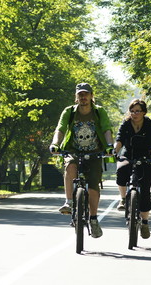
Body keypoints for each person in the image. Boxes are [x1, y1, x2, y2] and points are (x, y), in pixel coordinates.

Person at [49, 83, 114, 238]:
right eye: (80, 94)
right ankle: (69, 202)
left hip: (95, 152)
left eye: (86, 94)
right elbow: (61, 128)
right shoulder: (69, 111)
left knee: (93, 187)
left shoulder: (99, 111)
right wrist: (55, 144)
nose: (83, 97)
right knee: (70, 166)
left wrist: (109, 146)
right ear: (76, 97)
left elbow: (106, 129)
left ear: (91, 96)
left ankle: (93, 219)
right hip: (73, 150)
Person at [114, 99, 151, 239]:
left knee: (145, 191)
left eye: (137, 111)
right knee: (122, 170)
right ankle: (123, 199)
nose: (134, 114)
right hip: (128, 155)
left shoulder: (150, 124)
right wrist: (114, 151)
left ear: (144, 112)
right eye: (132, 111)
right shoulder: (126, 123)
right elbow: (119, 140)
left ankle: (145, 223)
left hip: (146, 158)